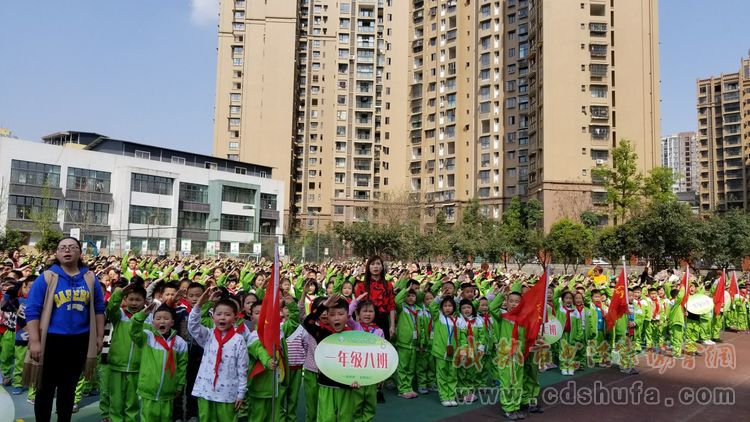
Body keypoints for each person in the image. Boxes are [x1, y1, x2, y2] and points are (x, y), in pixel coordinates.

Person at [24, 237, 105, 422]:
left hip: (79, 341)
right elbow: (32, 310)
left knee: (68, 389)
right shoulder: (47, 277)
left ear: (79, 252)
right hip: (51, 340)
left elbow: (99, 309)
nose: (67, 250)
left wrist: (99, 336)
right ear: (56, 253)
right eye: (62, 248)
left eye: (72, 247)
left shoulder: (90, 278)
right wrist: (35, 341)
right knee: (45, 389)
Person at [188, 286, 248, 421]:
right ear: (213, 316)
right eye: (219, 314)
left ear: (235, 317)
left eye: (227, 315)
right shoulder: (208, 335)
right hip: (205, 390)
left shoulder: (238, 340)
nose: (223, 318)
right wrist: (199, 305)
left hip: (228, 393)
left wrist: (241, 393)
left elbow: (242, 368)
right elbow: (193, 326)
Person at [302, 294, 361, 422]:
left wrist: (358, 378)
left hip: (347, 386)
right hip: (326, 385)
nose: (336, 318)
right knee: (326, 418)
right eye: (332, 314)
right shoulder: (322, 333)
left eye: (340, 314)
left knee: (345, 418)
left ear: (347, 316)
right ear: (327, 317)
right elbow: (307, 322)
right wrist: (324, 306)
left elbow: (359, 361)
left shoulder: (354, 337)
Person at [130, 302, 188, 421]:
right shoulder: (148, 337)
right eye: (158, 318)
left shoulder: (180, 343)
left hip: (168, 392)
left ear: (172, 322)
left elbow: (182, 366)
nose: (162, 321)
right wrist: (142, 315)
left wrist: (179, 385)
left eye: (166, 318)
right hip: (148, 391)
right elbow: (134, 331)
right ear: (153, 322)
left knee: (166, 418)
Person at [107, 283, 147, 422]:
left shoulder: (148, 318)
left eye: (138, 300)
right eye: (131, 299)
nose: (134, 303)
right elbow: (111, 308)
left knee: (133, 402)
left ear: (144, 301)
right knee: (116, 401)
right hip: (117, 365)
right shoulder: (119, 315)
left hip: (137, 367)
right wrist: (118, 293)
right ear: (125, 300)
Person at [354, 256, 396, 340]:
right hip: (366, 320)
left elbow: (391, 306)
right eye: (372, 264)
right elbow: (357, 305)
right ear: (368, 267)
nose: (375, 266)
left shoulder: (388, 285)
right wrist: (357, 321)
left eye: (378, 264)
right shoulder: (361, 286)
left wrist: (392, 326)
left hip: (383, 320)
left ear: (382, 267)